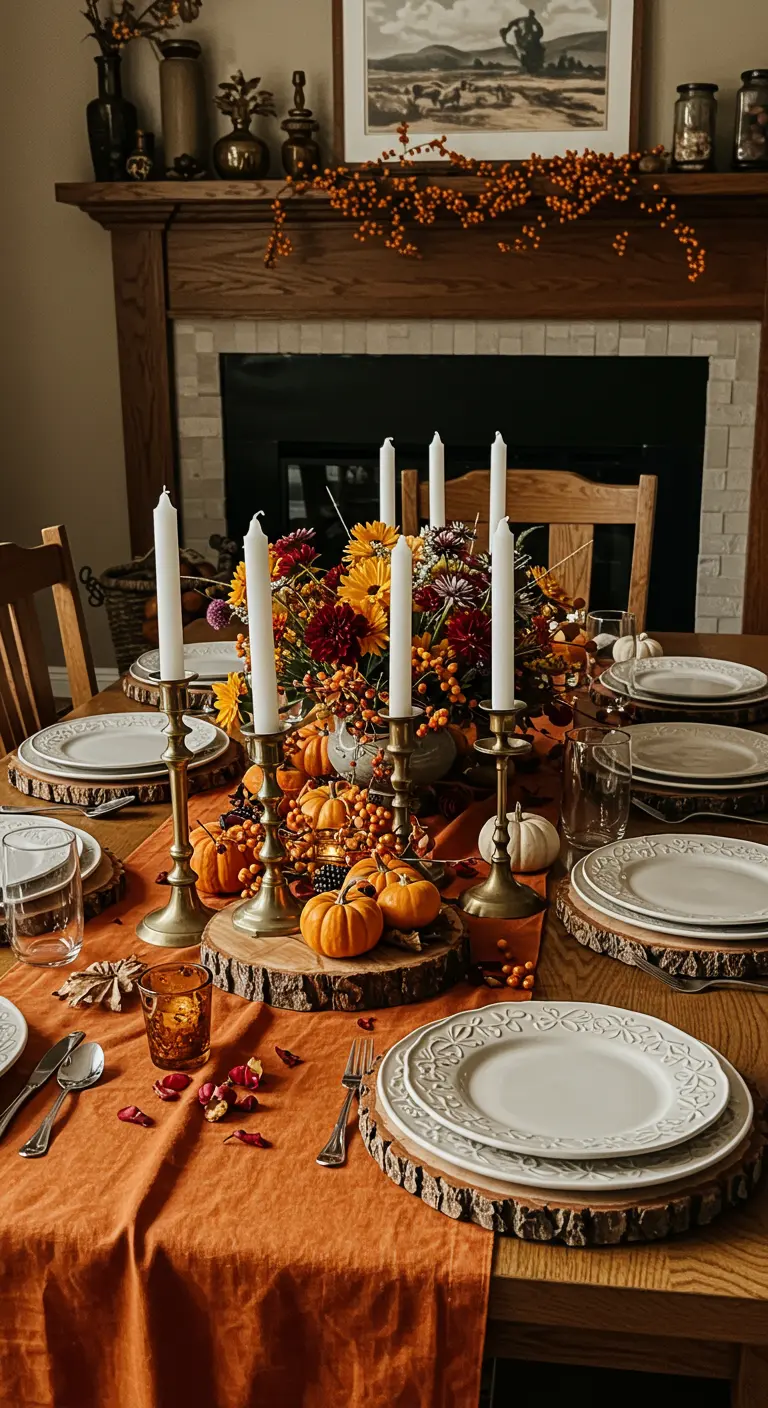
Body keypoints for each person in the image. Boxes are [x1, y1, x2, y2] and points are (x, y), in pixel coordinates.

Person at [500, 7, 545, 75]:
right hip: (523, 46)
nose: (523, 24)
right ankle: (528, 67)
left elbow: (540, 31)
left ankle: (533, 67)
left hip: (531, 46)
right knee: (524, 52)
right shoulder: (516, 30)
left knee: (533, 51)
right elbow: (512, 41)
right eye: (521, 22)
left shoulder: (532, 27)